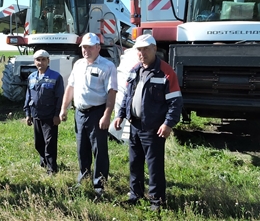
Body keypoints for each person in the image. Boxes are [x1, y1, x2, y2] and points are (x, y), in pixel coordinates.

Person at [113, 34, 183, 211]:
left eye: (145, 49)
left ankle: (156, 201)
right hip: (135, 125)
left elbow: (175, 102)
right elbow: (127, 96)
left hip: (154, 128)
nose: (142, 53)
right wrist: (120, 115)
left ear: (154, 48)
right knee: (134, 162)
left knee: (154, 166)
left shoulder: (166, 72)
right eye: (139, 50)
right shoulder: (135, 69)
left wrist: (168, 123)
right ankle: (134, 194)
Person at [59, 32, 117, 197]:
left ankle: (100, 186)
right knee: (82, 148)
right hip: (80, 113)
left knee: (99, 150)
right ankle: (83, 177)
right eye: (84, 47)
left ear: (98, 47)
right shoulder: (78, 64)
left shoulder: (107, 66)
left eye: (90, 47)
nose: (86, 50)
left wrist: (107, 115)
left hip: (97, 113)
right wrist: (64, 109)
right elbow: (70, 87)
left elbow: (112, 92)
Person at [24, 49, 64, 175]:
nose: (40, 62)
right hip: (36, 114)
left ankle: (52, 168)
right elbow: (28, 96)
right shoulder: (31, 77)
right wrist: (27, 114)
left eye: (43, 60)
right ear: (34, 62)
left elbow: (59, 97)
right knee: (39, 143)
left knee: (50, 143)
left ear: (48, 61)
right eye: (38, 60)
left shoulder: (56, 77)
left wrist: (57, 114)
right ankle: (44, 162)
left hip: (50, 115)